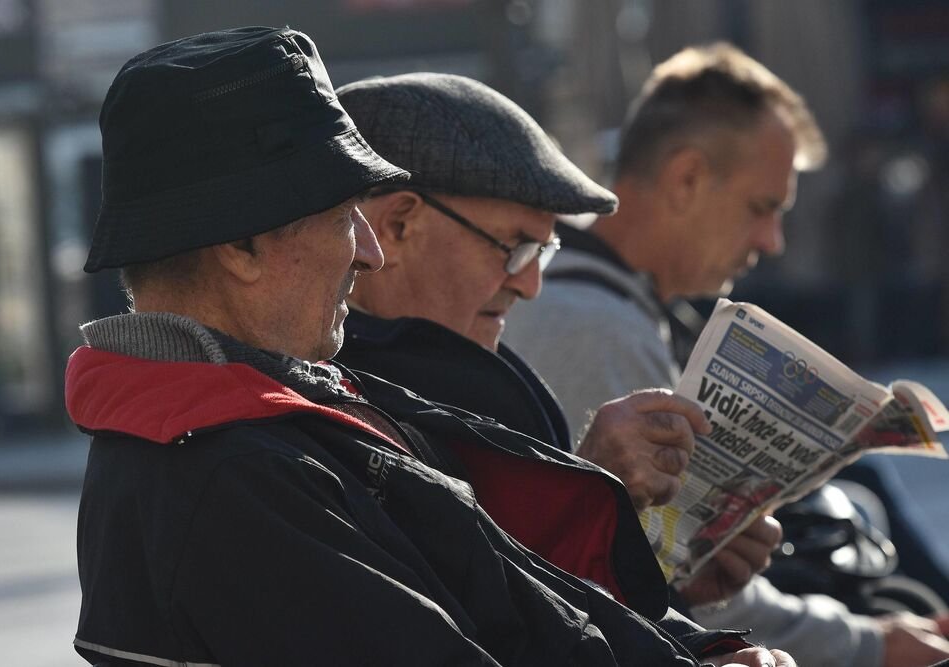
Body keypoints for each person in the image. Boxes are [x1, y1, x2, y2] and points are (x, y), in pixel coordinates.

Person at [66, 27, 789, 667]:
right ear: (240, 244)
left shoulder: (265, 418)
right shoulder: (228, 472)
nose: (370, 251)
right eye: (345, 215)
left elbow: (514, 599)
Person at [503, 42, 949, 667]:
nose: (771, 241)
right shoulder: (596, 327)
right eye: (760, 209)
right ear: (686, 178)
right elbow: (670, 605)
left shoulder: (612, 301)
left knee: (860, 485)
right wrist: (876, 643)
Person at [334, 72, 784, 618]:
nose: (530, 285)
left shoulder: (433, 375)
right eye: (516, 247)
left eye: (542, 252)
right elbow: (465, 623)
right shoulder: (335, 404)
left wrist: (676, 592)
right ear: (397, 226)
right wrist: (589, 490)